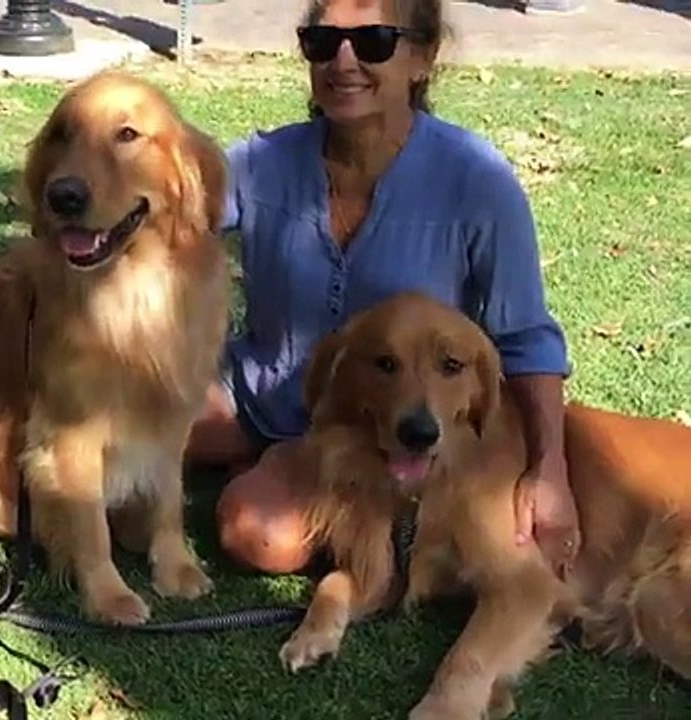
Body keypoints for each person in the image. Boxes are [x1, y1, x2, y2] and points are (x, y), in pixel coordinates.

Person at [185, 0, 582, 579]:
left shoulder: (478, 182)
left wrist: (549, 470)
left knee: (262, 537)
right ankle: (266, 458)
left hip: (385, 434)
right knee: (105, 439)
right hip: (254, 396)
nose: (343, 61)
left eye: (373, 42)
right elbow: (169, 223)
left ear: (422, 58)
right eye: (321, 43)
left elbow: (525, 338)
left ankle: (296, 480)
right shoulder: (262, 162)